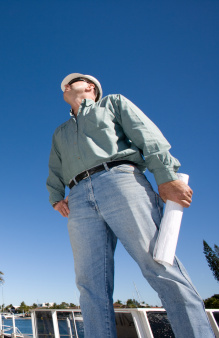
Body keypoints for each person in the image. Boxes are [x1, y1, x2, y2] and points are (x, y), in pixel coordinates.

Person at [46, 73, 214, 338]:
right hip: (77, 196)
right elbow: (55, 168)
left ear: (90, 87)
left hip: (120, 180)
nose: (64, 86)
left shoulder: (113, 103)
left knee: (159, 265)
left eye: (72, 81)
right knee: (89, 284)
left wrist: (166, 175)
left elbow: (147, 136)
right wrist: (56, 197)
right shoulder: (60, 132)